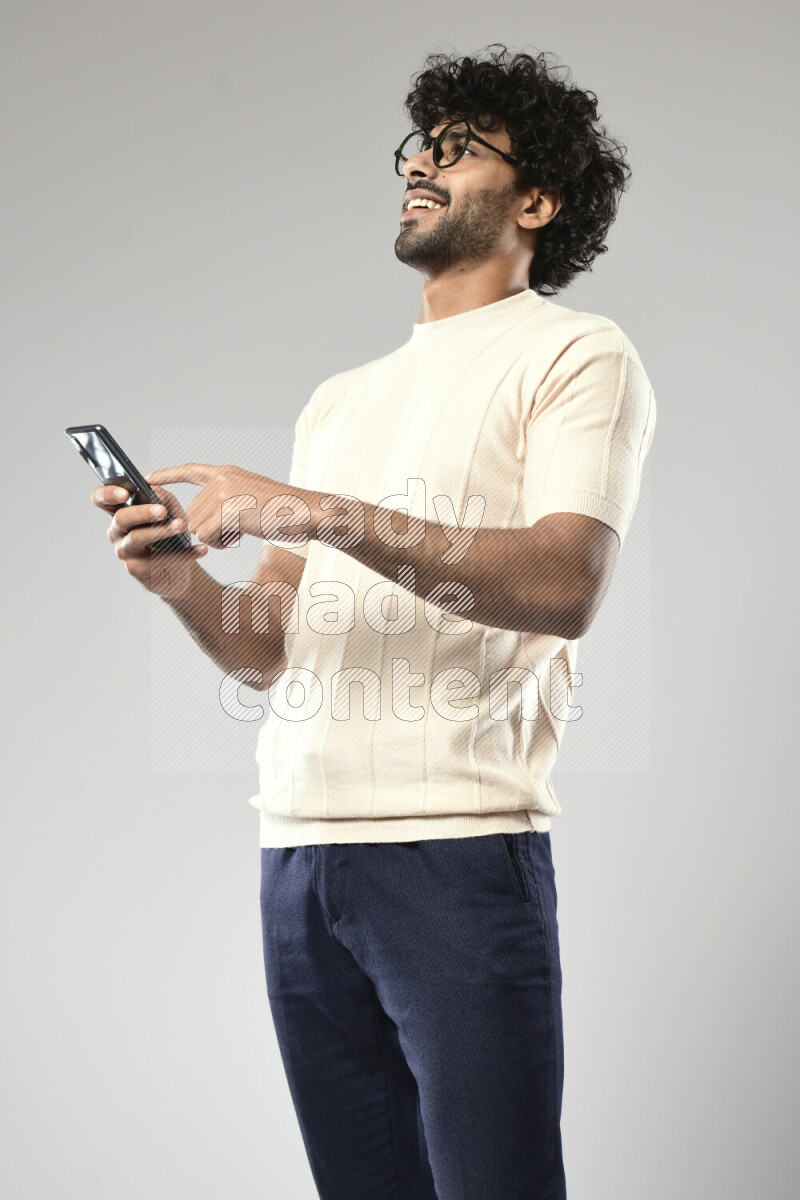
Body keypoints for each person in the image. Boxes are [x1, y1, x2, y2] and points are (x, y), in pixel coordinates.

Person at [91, 45, 656, 1200]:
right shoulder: (339, 399)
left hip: (454, 850)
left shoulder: (574, 351)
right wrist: (180, 584)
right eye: (416, 147)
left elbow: (563, 584)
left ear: (535, 201)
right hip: (299, 856)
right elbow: (266, 647)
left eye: (459, 150)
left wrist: (320, 511)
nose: (421, 165)